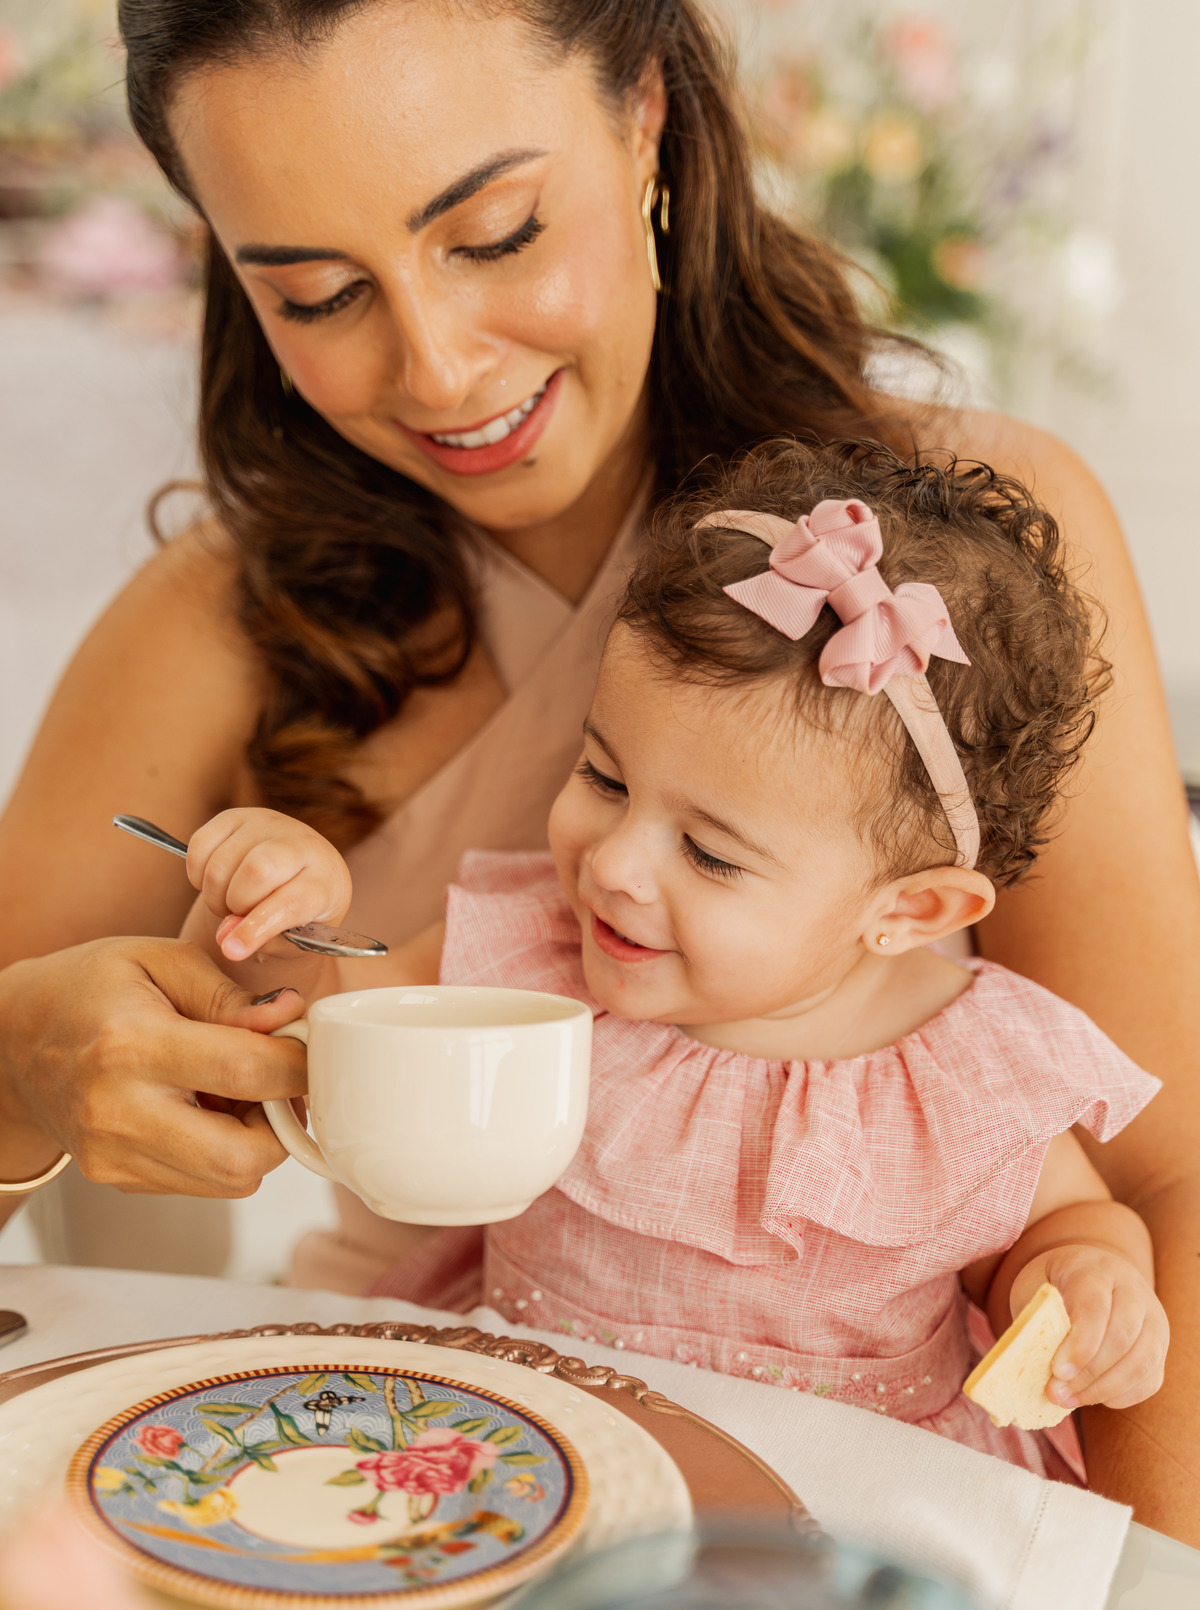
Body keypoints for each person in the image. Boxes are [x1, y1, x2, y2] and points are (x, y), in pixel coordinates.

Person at [0, 0, 1195, 1529]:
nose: (437, 369)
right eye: (313, 291)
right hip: (419, 1447)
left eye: (495, 233)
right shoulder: (208, 628)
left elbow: (1165, 1189)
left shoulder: (952, 575)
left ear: (646, 121)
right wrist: (30, 1070)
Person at [177, 439, 1169, 1481]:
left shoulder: (966, 1074)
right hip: (534, 1451)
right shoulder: (531, 959)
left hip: (845, 1498)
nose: (613, 866)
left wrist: (1087, 1279)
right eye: (605, 777)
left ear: (910, 908)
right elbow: (316, 1011)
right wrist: (268, 907)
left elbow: (1066, 1221)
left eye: (708, 852)